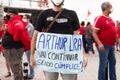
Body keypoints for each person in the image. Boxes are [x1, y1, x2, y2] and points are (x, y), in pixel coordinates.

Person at [30, 0, 88, 80]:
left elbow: (76, 38)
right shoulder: (44, 14)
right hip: (49, 59)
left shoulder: (72, 14)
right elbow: (35, 36)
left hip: (68, 59)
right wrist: (32, 55)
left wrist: (83, 54)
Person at [92, 1, 117, 80]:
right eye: (110, 7)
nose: (112, 8)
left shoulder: (110, 19)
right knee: (103, 64)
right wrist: (99, 44)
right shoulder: (99, 18)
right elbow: (94, 33)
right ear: (106, 8)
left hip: (111, 45)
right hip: (103, 45)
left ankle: (113, 78)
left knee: (113, 62)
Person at [2, 9, 28, 80]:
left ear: (14, 14)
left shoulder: (17, 21)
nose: (7, 15)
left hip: (14, 49)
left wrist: (15, 38)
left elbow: (19, 30)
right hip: (12, 48)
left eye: (9, 14)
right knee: (17, 68)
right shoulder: (12, 21)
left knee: (15, 68)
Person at [22, 14, 35, 79]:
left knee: (30, 60)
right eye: (23, 17)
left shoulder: (30, 26)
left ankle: (32, 74)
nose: (23, 19)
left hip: (28, 45)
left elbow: (29, 37)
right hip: (24, 45)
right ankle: (24, 73)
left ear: (28, 19)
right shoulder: (24, 25)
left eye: (25, 18)